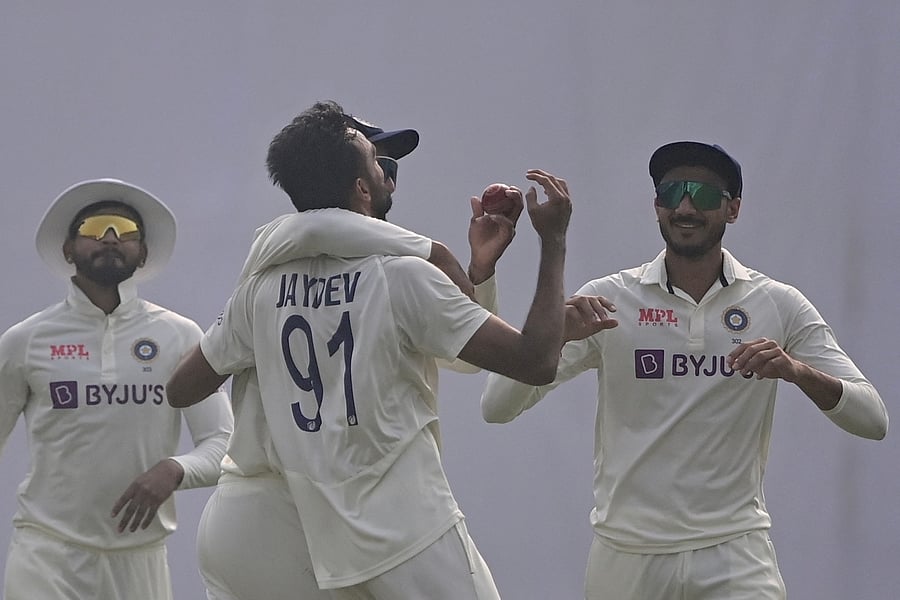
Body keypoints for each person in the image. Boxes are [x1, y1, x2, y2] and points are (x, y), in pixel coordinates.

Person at [167, 99, 601, 599]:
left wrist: (477, 271)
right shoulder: (404, 275)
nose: (390, 178)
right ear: (360, 187)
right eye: (379, 163)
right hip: (400, 527)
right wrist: (554, 242)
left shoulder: (260, 286)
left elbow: (182, 389)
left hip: (265, 530)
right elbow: (535, 362)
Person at [481, 140, 889, 599]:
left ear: (732, 209)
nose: (687, 207)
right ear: (656, 206)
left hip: (734, 553)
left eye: (706, 195)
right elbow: (496, 407)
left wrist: (798, 371)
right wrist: (555, 336)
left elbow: (873, 420)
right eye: (673, 193)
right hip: (627, 555)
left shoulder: (777, 303)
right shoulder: (610, 298)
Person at [0, 179, 233, 600]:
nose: (110, 238)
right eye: (95, 227)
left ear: (143, 253)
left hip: (140, 564)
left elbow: (223, 445)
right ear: (68, 249)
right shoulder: (25, 339)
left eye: (125, 230)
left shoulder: (180, 336)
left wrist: (174, 469)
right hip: (46, 555)